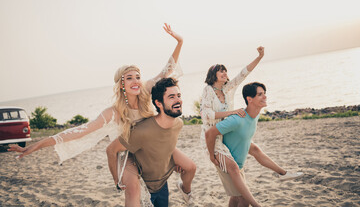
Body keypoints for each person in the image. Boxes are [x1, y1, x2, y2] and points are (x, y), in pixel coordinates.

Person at [8, 23, 190, 207]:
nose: (135, 81)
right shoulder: (114, 111)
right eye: (129, 78)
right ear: (121, 84)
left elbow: (168, 69)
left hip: (151, 147)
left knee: (186, 169)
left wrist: (179, 41)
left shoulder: (146, 90)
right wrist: (32, 147)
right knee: (133, 189)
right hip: (128, 152)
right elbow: (77, 132)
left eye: (137, 76)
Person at [200, 47, 303, 188]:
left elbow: (244, 74)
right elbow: (206, 115)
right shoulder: (208, 90)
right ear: (213, 74)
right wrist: (232, 113)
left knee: (255, 149)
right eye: (221, 70)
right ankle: (281, 174)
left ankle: (283, 173)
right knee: (238, 179)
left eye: (225, 70)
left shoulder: (227, 88)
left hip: (230, 129)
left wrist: (260, 57)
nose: (225, 73)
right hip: (215, 135)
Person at [206, 82, 302, 207]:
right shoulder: (236, 120)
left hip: (238, 165)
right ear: (249, 99)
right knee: (244, 200)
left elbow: (250, 146)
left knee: (236, 198)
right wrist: (212, 156)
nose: (265, 97)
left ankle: (283, 173)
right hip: (227, 165)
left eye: (264, 93)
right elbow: (209, 133)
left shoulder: (254, 116)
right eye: (260, 94)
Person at [108, 77, 196, 207]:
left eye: (178, 95)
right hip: (145, 188)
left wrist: (175, 161)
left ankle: (185, 190)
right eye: (171, 97)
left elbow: (165, 143)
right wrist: (117, 179)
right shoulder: (142, 131)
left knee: (191, 167)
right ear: (159, 103)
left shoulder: (178, 124)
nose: (178, 100)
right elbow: (111, 150)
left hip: (162, 184)